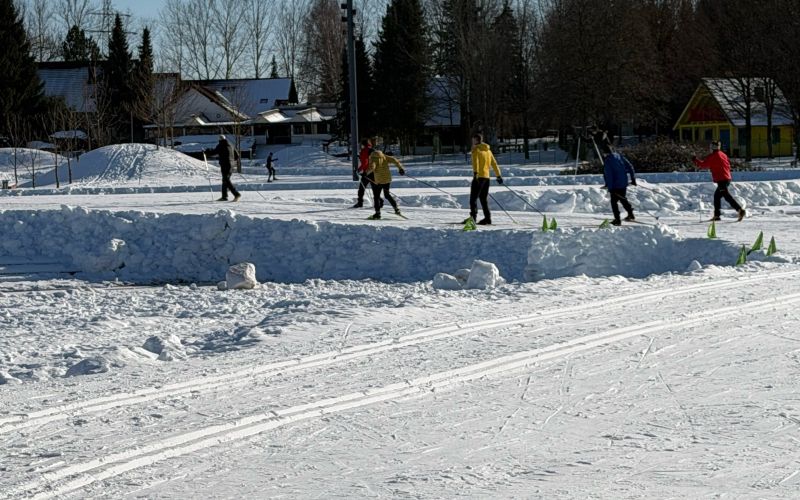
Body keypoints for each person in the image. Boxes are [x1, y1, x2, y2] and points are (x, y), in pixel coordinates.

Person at [692, 141, 746, 221]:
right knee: (717, 196)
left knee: (727, 196)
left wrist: (695, 160)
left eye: (711, 147)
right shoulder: (723, 154)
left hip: (721, 179)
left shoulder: (713, 156)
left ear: (712, 147)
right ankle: (717, 215)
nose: (710, 148)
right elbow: (728, 165)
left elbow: (703, 165)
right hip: (727, 178)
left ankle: (740, 210)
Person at [466, 133, 503, 225]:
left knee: (473, 199)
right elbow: (494, 163)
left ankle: (473, 218)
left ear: (476, 140)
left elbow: (476, 162)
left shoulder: (476, 149)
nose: (472, 141)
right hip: (486, 178)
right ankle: (487, 218)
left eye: (473, 139)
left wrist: (475, 173)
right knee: (483, 199)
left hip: (479, 177)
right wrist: (498, 175)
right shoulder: (488, 151)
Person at [601, 144, 636, 226]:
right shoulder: (619, 156)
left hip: (615, 185)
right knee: (623, 198)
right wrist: (633, 178)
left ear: (605, 153)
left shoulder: (608, 160)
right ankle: (631, 214)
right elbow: (630, 166)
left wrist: (610, 188)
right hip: (623, 182)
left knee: (614, 202)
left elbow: (609, 175)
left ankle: (617, 220)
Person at [366, 147, 405, 220]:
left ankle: (377, 214)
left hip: (379, 180)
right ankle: (397, 209)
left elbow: (372, 167)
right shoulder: (383, 156)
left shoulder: (373, 158)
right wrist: (400, 168)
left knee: (376, 196)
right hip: (387, 179)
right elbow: (394, 160)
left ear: (370, 154)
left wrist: (365, 173)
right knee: (387, 195)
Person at [208, 135, 240, 202]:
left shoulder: (221, 145)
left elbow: (214, 152)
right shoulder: (231, 145)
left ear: (219, 140)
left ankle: (236, 194)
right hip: (231, 165)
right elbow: (237, 155)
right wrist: (231, 160)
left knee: (226, 179)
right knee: (225, 180)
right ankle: (224, 196)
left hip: (225, 164)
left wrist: (206, 151)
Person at [352, 138, 374, 208]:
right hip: (374, 171)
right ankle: (379, 202)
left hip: (367, 173)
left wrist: (359, 170)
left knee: (361, 189)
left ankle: (360, 203)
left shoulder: (364, 151)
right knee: (375, 189)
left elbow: (365, 162)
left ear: (363, 144)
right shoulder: (372, 150)